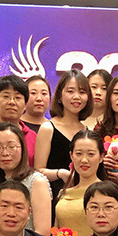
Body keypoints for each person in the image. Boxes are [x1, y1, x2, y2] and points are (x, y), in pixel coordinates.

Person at [34, 69, 92, 206]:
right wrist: (61, 173)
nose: (76, 96)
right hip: (53, 198)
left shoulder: (87, 131)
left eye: (82, 92)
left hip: (82, 199)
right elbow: (38, 171)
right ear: (60, 95)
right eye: (70, 91)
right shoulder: (48, 128)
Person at [0, 121, 52, 233]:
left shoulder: (37, 182)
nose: (5, 153)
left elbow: (43, 232)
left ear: (22, 148)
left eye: (11, 146)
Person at [54, 129, 108, 236]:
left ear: (101, 157)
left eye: (91, 154)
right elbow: (56, 231)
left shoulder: (108, 192)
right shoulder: (63, 193)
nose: (84, 160)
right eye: (79, 153)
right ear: (71, 156)